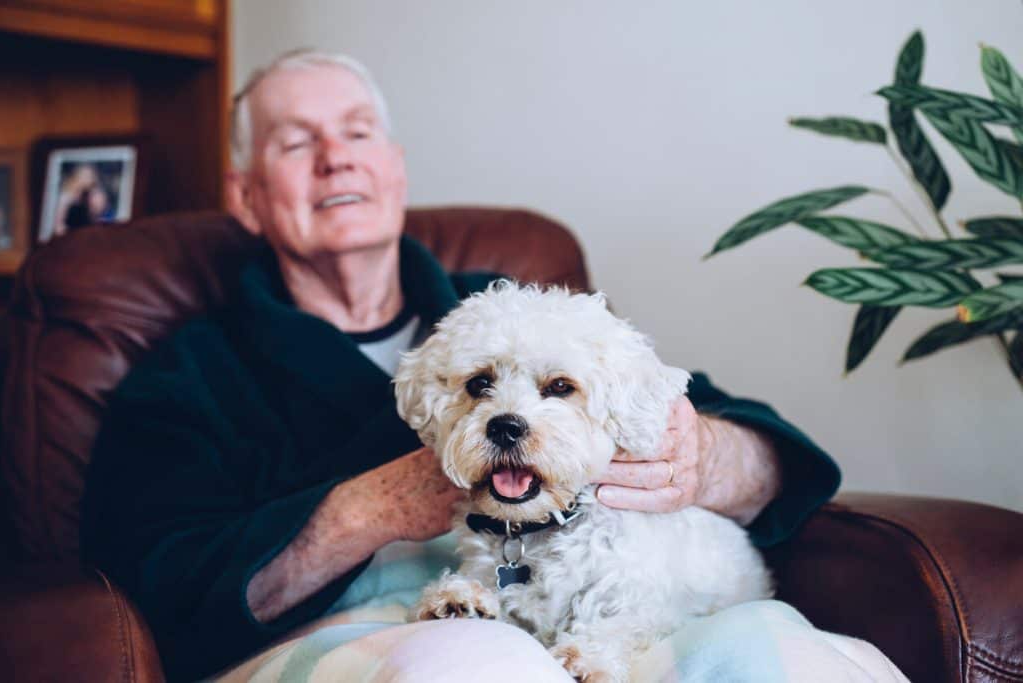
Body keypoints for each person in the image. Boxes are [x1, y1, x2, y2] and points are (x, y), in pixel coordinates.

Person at [81, 51, 858, 682]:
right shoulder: (188, 375)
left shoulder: (514, 312)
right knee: (476, 663)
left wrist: (707, 457)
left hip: (604, 612)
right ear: (247, 198)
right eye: (296, 142)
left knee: (772, 647)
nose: (334, 160)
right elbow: (149, 586)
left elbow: (740, 439)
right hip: (374, 632)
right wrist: (368, 509)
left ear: (394, 168)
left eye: (357, 134)